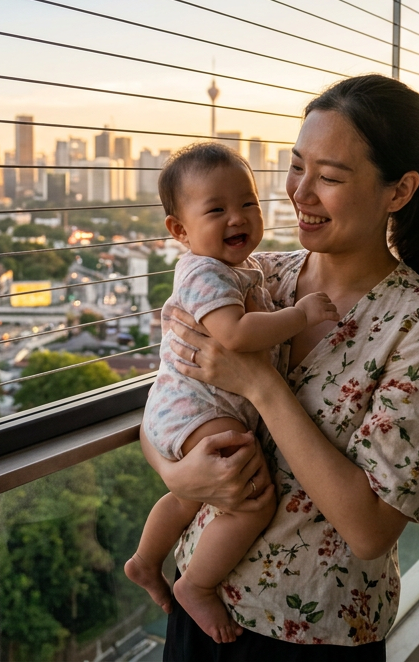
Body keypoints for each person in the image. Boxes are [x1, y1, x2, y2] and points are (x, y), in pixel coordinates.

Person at [144, 75, 419, 659]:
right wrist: (176, 476)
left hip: (318, 634)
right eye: (297, 167)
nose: (301, 192)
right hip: (202, 608)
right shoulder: (253, 275)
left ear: (398, 192)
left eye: (331, 177)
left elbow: (370, 530)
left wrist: (262, 386)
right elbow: (169, 398)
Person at [125, 142, 341, 643]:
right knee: (251, 500)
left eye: (247, 204)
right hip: (197, 407)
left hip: (185, 408)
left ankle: (144, 560)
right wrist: (302, 316)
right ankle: (196, 586)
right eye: (216, 209)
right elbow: (237, 337)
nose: (237, 217)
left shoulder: (246, 270)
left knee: (186, 494)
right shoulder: (205, 273)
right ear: (179, 230)